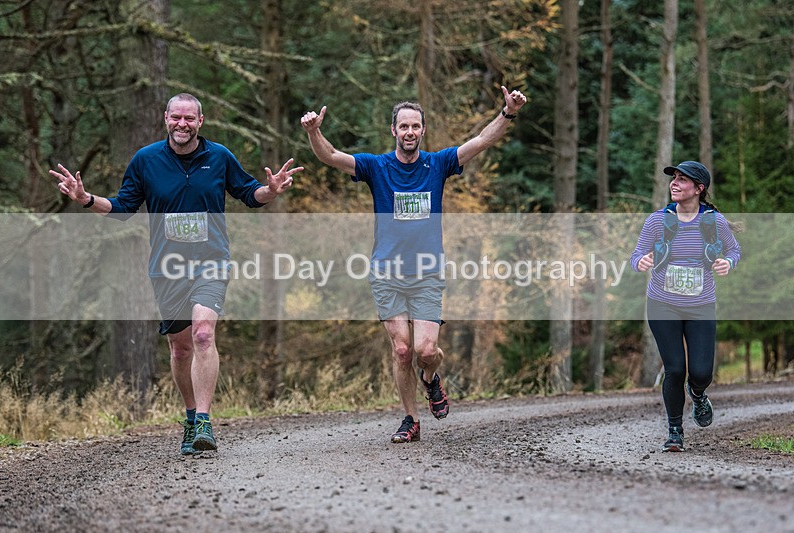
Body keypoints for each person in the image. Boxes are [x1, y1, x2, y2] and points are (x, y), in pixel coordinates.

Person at [51, 93, 302, 455]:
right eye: (176, 118)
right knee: (181, 348)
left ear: (201, 122)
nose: (182, 124)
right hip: (167, 268)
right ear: (165, 118)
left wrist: (271, 191)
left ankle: (204, 421)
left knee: (202, 334)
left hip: (211, 260)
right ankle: (189, 416)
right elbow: (123, 207)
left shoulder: (219, 157)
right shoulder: (146, 160)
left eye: (189, 118)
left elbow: (250, 194)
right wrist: (87, 199)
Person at [300, 85, 527, 443]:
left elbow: (482, 141)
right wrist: (314, 131)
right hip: (386, 273)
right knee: (402, 350)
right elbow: (330, 156)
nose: (409, 132)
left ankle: (431, 378)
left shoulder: (437, 164)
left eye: (415, 126)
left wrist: (508, 111)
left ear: (423, 130)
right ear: (394, 130)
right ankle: (410, 420)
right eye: (403, 126)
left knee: (425, 351)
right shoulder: (376, 167)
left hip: (426, 272)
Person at [631, 161, 741, 452]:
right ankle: (675, 431)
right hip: (662, 304)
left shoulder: (714, 222)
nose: (675, 183)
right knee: (675, 369)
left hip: (701, 305)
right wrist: (640, 261)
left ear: (699, 188)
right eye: (674, 178)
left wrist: (727, 262)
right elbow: (638, 252)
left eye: (683, 179)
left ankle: (699, 393)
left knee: (702, 372)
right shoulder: (658, 220)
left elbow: (734, 249)